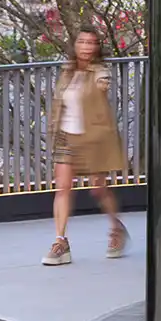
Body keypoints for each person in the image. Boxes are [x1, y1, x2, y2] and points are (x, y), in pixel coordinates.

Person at [44, 25, 129, 266]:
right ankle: (61, 242)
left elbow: (102, 87)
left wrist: (98, 82)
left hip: (92, 138)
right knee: (62, 188)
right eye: (82, 42)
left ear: (97, 47)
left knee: (98, 189)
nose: (86, 47)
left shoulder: (100, 72)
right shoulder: (67, 71)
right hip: (66, 136)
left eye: (91, 43)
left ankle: (116, 229)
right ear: (75, 45)